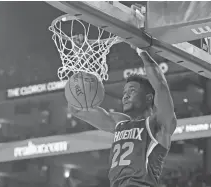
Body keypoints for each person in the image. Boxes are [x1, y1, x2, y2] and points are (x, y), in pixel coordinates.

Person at [69, 47, 177, 187]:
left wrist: (142, 51)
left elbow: (161, 86)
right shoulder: (119, 123)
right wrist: (82, 61)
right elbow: (76, 108)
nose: (125, 95)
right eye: (125, 92)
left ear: (149, 98)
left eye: (132, 91)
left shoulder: (159, 124)